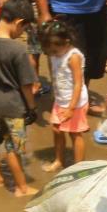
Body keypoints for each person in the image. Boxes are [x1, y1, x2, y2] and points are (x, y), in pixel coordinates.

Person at [0, 0, 38, 196]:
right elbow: (26, 86)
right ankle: (22, 187)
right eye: (23, 29)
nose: (22, 33)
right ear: (19, 22)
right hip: (13, 107)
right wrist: (32, 108)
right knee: (14, 148)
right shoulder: (18, 50)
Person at [39, 19, 88, 172]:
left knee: (75, 134)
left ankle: (78, 167)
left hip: (75, 102)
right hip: (61, 100)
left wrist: (71, 108)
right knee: (57, 130)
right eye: (49, 51)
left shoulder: (73, 57)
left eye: (54, 51)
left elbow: (78, 84)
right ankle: (59, 160)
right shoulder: (55, 54)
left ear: (66, 42)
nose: (52, 54)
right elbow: (55, 75)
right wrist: (56, 95)